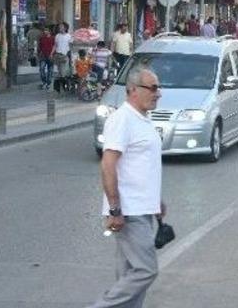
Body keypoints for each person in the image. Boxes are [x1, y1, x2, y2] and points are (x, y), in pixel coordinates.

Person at [89, 68, 166, 308]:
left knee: (129, 275)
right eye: (152, 88)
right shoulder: (122, 119)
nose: (158, 93)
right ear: (133, 90)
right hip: (129, 211)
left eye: (158, 87)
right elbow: (108, 164)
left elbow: (141, 166)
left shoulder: (142, 118)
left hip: (142, 207)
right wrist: (115, 209)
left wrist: (156, 201)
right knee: (145, 270)